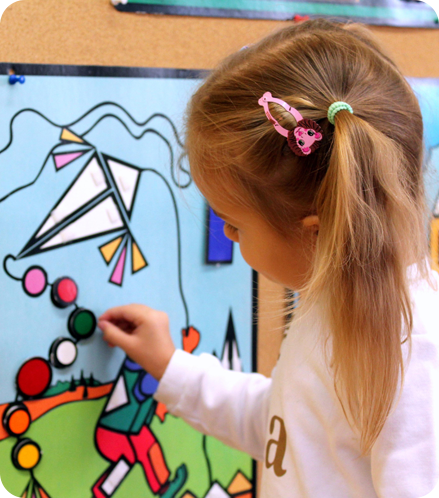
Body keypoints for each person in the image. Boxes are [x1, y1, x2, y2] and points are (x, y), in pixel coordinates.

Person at [98, 19, 439, 496]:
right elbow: (286, 430)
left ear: (316, 234)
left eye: (234, 225)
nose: (226, 235)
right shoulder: (332, 299)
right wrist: (172, 366)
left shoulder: (416, 351)